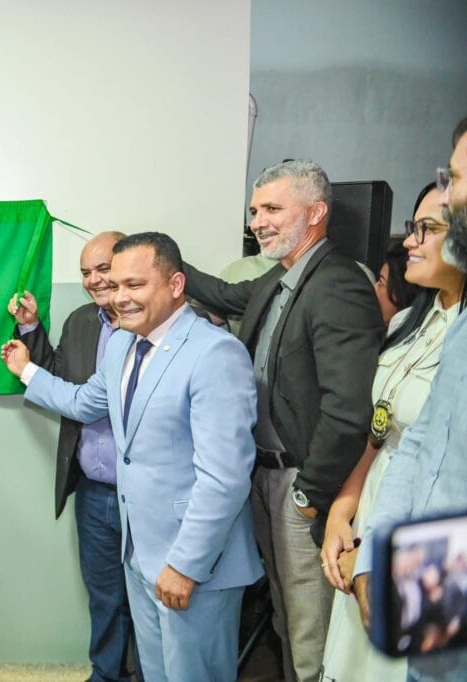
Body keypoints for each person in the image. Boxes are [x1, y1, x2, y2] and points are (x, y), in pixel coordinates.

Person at [1, 232, 262, 682]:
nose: (120, 296)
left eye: (134, 284)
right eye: (116, 284)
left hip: (195, 563)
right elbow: (84, 402)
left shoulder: (216, 353)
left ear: (176, 284)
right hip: (139, 553)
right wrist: (27, 371)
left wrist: (186, 565)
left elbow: (225, 479)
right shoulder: (123, 343)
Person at [181, 159, 384, 682]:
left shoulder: (338, 284)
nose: (258, 223)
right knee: (284, 616)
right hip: (266, 477)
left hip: (302, 484)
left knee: (310, 630)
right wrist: (164, 258)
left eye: (272, 209)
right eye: (254, 211)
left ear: (315, 213)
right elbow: (223, 295)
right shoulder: (280, 276)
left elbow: (350, 409)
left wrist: (308, 495)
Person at [318, 182, 465, 681]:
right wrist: (343, 509)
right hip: (377, 499)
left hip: (424, 521)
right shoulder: (408, 321)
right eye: (411, 227)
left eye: (427, 229)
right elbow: (380, 431)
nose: (409, 242)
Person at [353, 116, 467, 681]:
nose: (451, 195)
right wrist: (375, 553)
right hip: (432, 568)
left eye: (458, 181)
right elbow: (419, 441)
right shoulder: (449, 324)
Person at [5, 231, 141, 682]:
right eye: (85, 272)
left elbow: (85, 402)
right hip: (93, 493)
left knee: (151, 598)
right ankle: (106, 674)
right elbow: (60, 379)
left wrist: (27, 370)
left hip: (145, 494)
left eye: (103, 269)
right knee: (105, 597)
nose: (94, 280)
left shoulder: (151, 326)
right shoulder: (83, 320)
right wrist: (31, 329)